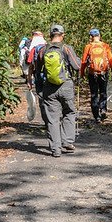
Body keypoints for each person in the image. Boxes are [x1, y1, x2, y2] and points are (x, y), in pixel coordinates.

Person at [39, 24, 81, 157]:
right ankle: (67, 141)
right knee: (69, 112)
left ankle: (55, 149)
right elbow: (77, 66)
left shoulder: (43, 50)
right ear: (62, 35)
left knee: (52, 118)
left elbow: (38, 69)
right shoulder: (66, 48)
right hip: (66, 86)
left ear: (50, 35)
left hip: (49, 88)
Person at [79, 28, 112, 122]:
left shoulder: (88, 47)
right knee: (103, 92)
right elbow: (111, 60)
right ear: (99, 36)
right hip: (104, 73)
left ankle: (97, 116)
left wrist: (82, 73)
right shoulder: (105, 46)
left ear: (91, 37)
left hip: (93, 74)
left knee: (94, 94)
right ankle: (103, 109)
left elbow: (83, 61)